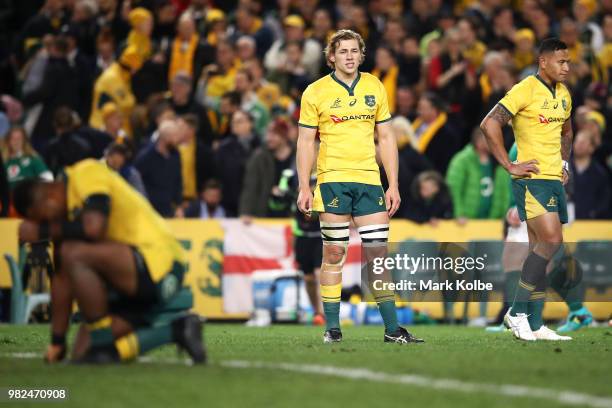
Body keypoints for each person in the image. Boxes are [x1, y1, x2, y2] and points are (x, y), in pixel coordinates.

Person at [296, 29, 423, 344]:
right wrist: (304, 186)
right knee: (335, 252)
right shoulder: (315, 91)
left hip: (369, 181)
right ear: (331, 57)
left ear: (361, 55)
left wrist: (392, 184)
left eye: (354, 51)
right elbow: (305, 141)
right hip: (333, 180)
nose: (349, 56)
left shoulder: (375, 86)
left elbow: (387, 137)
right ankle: (332, 328)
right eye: (343, 51)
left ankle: (393, 330)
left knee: (378, 256)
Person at [13, 159, 205, 364]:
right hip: (130, 277)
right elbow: (60, 280)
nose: (48, 224)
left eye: (43, 218)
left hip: (160, 261)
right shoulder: (67, 220)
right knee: (85, 356)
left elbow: (94, 228)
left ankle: (103, 345)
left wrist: (41, 231)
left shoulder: (86, 172)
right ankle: (178, 331)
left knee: (74, 253)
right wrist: (57, 342)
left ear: (49, 199)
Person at [480, 38, 574, 341]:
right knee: (551, 241)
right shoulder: (525, 89)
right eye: (560, 61)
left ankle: (535, 323)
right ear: (542, 61)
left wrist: (564, 163)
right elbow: (490, 124)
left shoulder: (564, 95)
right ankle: (517, 313)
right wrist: (509, 164)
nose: (566, 67)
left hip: (553, 178)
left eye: (568, 62)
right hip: (531, 178)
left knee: (539, 250)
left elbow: (568, 131)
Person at [446, 128, 511, 223]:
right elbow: (453, 189)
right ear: (478, 141)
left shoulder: (498, 162)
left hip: (492, 222)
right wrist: (459, 214)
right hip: (466, 222)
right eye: (490, 139)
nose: (495, 142)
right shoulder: (462, 161)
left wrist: (503, 215)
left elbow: (505, 191)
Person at [134, 119, 183, 217]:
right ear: (165, 137)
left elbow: (178, 180)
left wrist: (178, 206)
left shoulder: (175, 155)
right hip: (149, 210)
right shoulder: (145, 157)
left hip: (169, 209)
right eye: (175, 136)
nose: (177, 139)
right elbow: (136, 182)